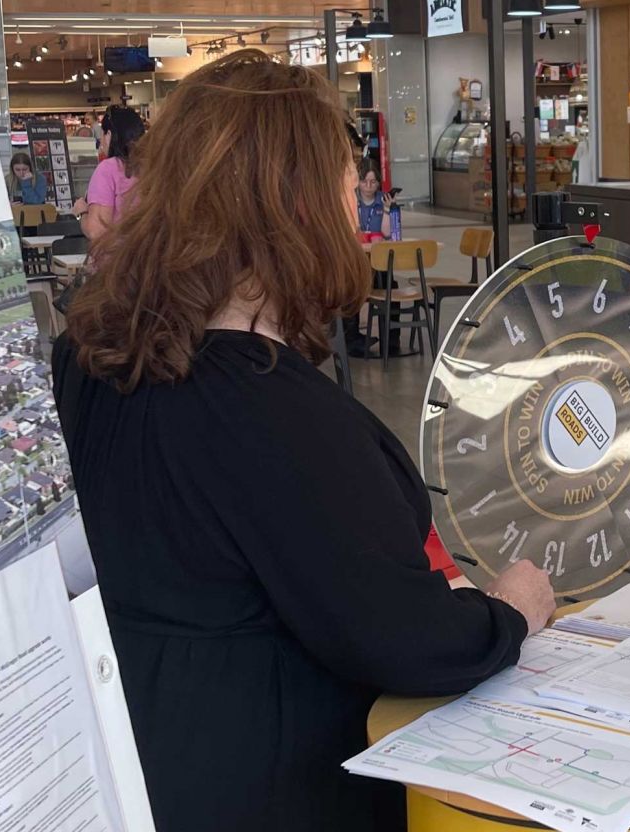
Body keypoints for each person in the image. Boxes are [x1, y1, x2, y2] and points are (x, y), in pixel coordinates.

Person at [52, 49, 555, 832]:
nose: (356, 194)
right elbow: (395, 634)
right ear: (290, 201)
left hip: (142, 754)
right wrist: (512, 615)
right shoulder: (263, 408)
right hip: (278, 782)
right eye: (341, 178)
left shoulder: (90, 357)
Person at [79, 105, 144, 241]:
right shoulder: (153, 167)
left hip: (117, 258)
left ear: (109, 136)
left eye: (103, 134)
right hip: (149, 255)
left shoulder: (107, 170)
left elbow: (96, 231)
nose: (101, 140)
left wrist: (82, 211)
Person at [354, 158, 399, 240]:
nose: (368, 186)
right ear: (357, 181)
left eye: (373, 182)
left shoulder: (385, 199)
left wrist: (387, 209)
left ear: (378, 182)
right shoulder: (350, 199)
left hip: (378, 249)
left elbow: (387, 235)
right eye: (364, 181)